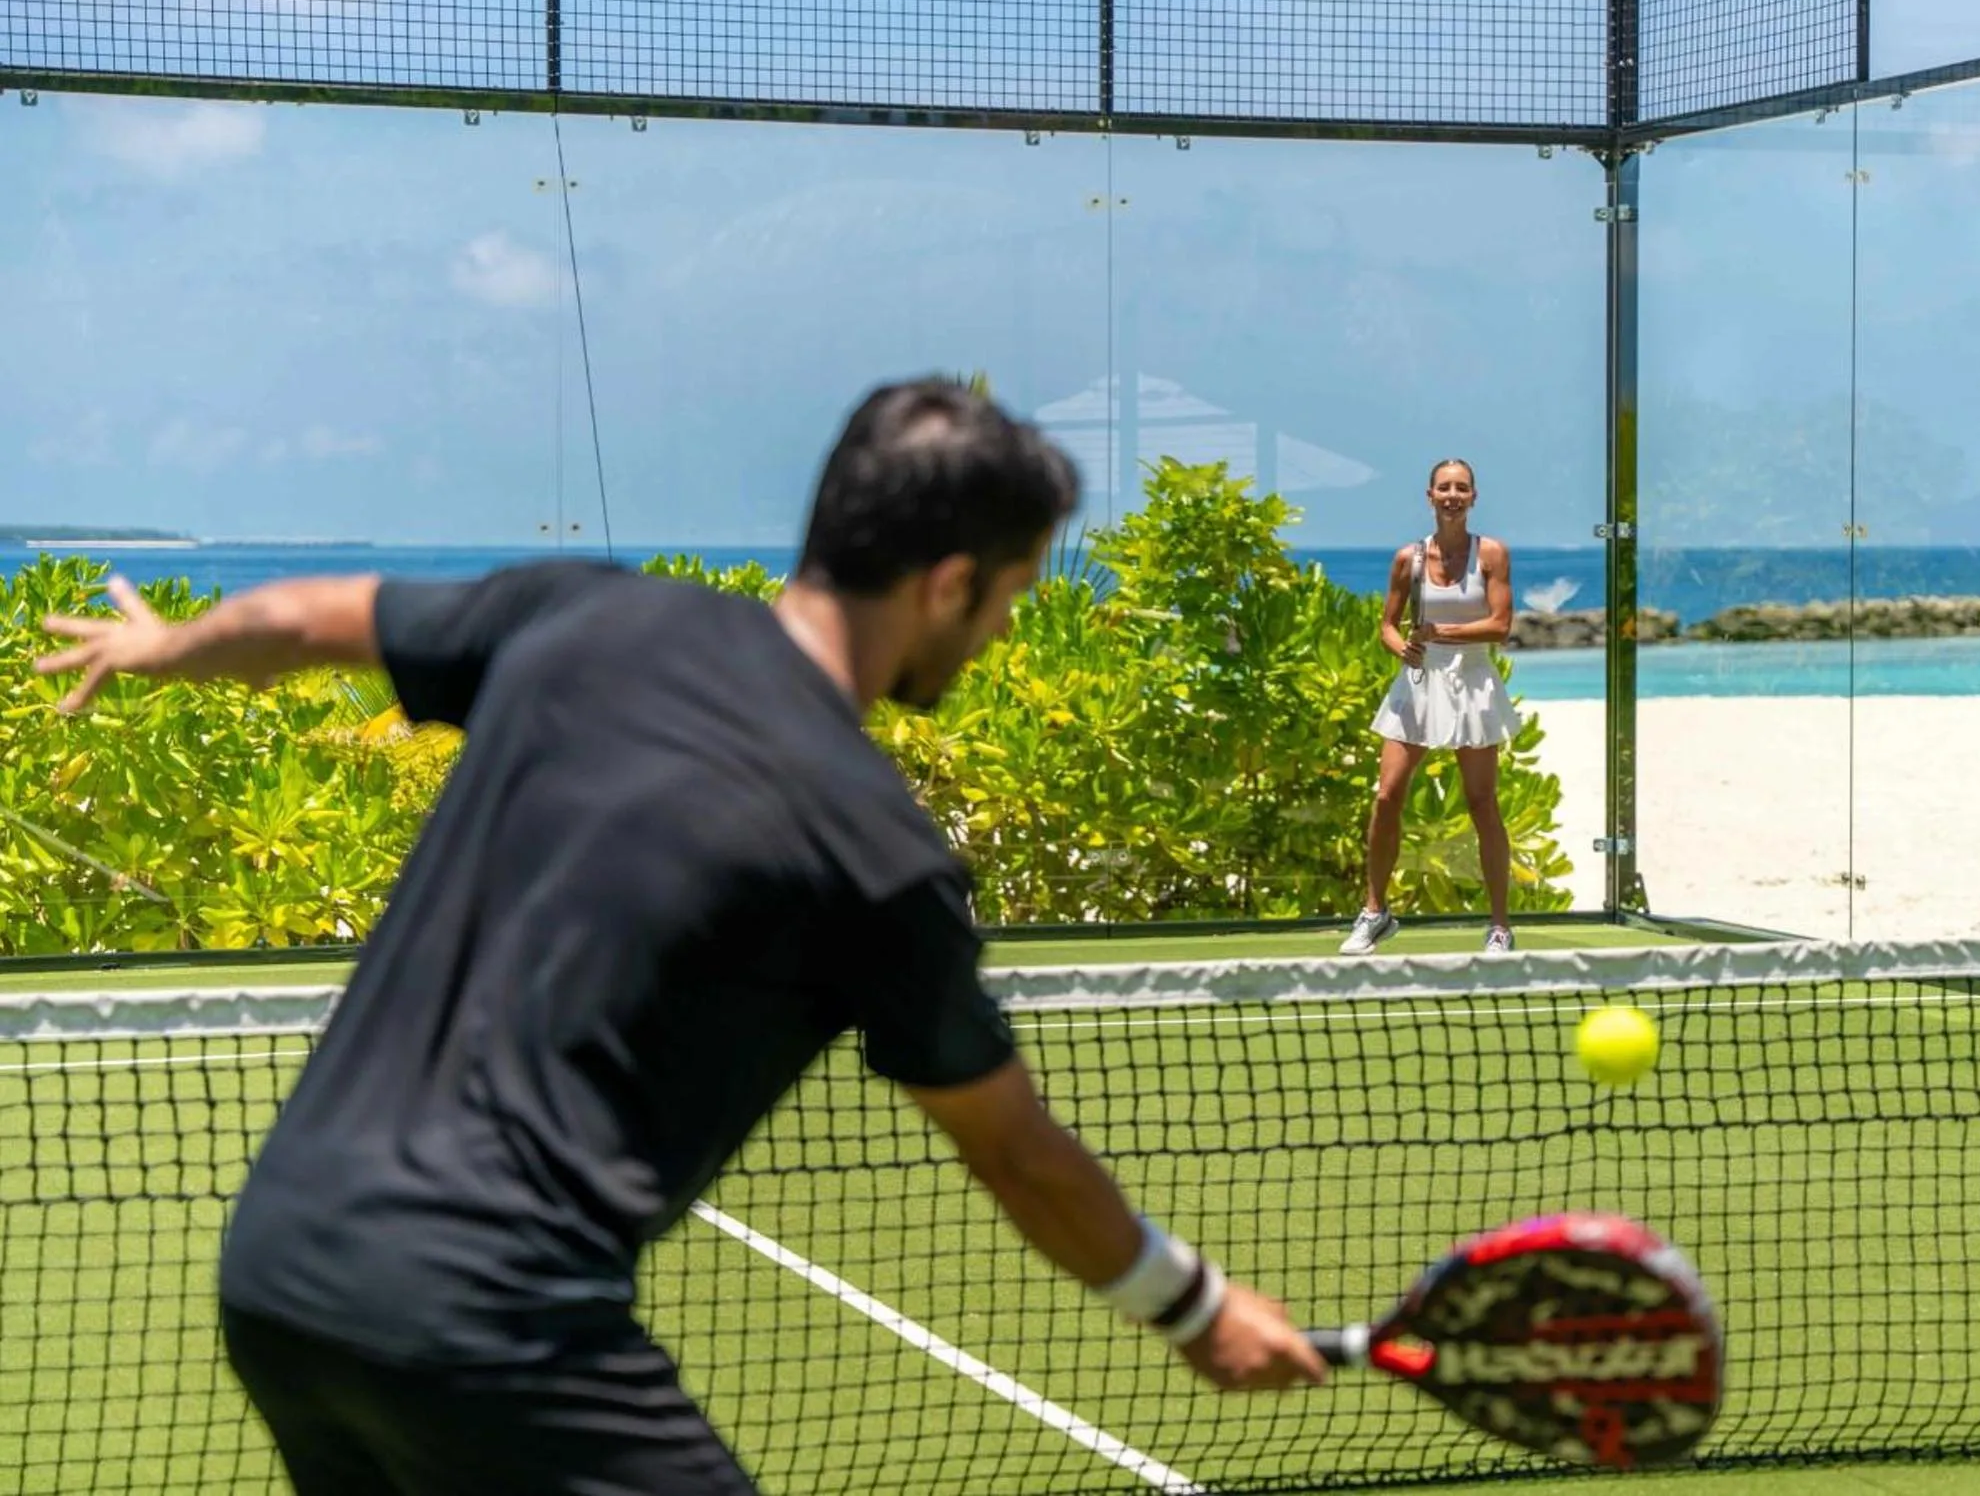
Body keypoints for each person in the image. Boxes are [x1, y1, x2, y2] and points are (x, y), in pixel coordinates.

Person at [32, 377, 1323, 1495]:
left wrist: (163, 645)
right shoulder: (876, 850)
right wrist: (1197, 1306)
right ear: (945, 583)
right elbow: (1015, 1151)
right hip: (489, 1317)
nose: (996, 632)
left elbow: (316, 618)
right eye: (1007, 596)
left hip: (282, 1272)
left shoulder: (580, 612)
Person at [1340, 457, 1524, 958]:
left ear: (1473, 497)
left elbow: (1500, 624)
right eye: (1444, 487)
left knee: (1483, 804)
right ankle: (1376, 913)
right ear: (1429, 495)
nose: (1452, 495)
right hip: (1417, 686)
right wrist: (1401, 647)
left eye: (1461, 488)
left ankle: (1501, 927)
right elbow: (1387, 625)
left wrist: (1443, 634)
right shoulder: (1408, 559)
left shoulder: (1491, 555)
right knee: (1386, 796)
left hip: (1473, 684)